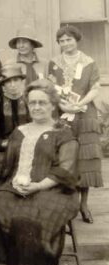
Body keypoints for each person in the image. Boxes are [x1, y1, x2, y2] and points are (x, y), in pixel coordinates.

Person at [0, 79, 79, 265]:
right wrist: (12, 181)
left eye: (42, 102)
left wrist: (37, 186)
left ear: (53, 105)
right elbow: (8, 164)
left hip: (53, 189)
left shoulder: (63, 133)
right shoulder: (19, 132)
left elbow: (66, 170)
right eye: (32, 103)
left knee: (28, 218)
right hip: (16, 187)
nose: (37, 107)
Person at [47, 24, 103, 223]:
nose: (65, 44)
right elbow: (51, 88)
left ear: (76, 40)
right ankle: (65, 203)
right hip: (62, 113)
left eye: (69, 39)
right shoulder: (54, 63)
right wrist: (63, 105)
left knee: (85, 159)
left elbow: (95, 87)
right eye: (61, 41)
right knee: (64, 156)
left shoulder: (89, 62)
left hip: (84, 114)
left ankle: (84, 205)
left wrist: (80, 104)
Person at [0, 64, 30, 189]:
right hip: (2, 150)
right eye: (8, 82)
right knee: (0, 164)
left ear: (22, 81)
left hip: (28, 148)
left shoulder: (29, 100)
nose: (13, 85)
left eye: (16, 80)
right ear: (3, 85)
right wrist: (1, 143)